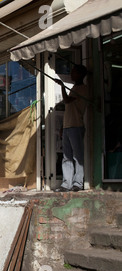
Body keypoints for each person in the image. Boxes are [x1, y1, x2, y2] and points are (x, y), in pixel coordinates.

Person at [54, 64, 89, 192]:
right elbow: (68, 109)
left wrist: (62, 86)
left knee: (77, 156)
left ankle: (78, 183)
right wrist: (63, 127)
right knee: (66, 156)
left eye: (74, 72)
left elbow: (67, 101)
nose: (71, 74)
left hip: (76, 126)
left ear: (80, 74)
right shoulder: (74, 88)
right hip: (68, 126)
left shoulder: (83, 89)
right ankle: (66, 183)